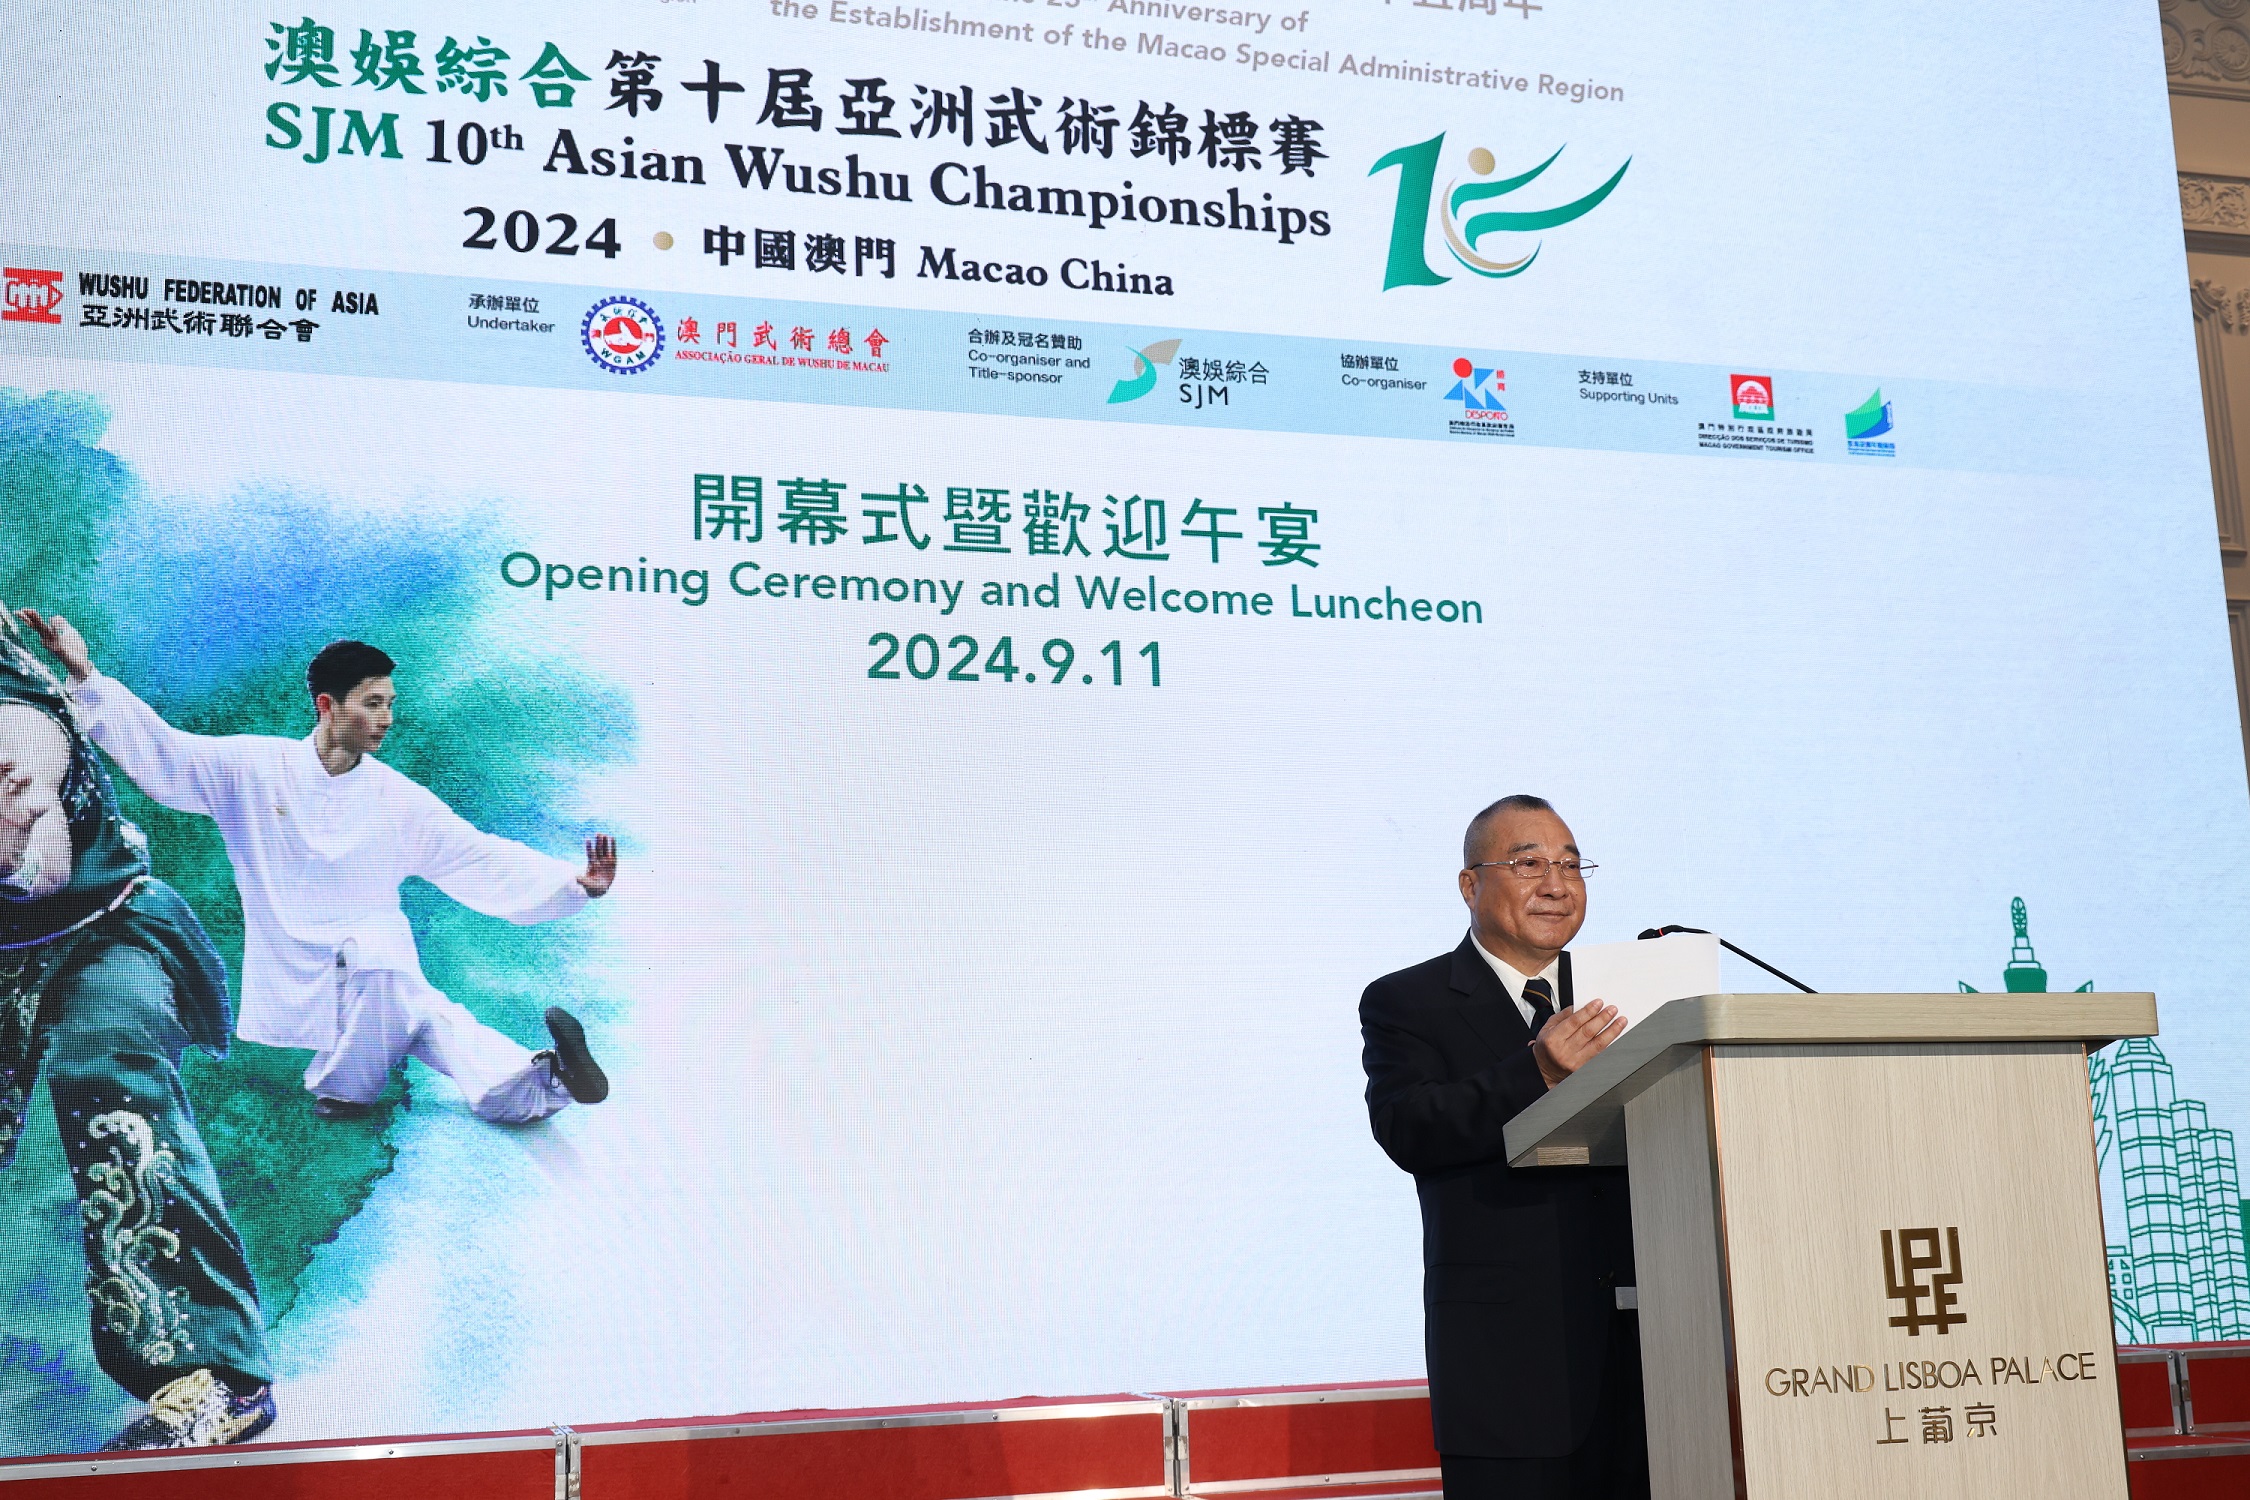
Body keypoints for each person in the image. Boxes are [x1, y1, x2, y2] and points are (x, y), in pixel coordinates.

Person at [16, 610, 617, 1125]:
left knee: (409, 994)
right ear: (328, 706)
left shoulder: (397, 798)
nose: (386, 718)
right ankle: (501, 1084)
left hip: (376, 958)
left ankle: (541, 1081)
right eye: (373, 704)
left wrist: (572, 885)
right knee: (417, 1005)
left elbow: (474, 856)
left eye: (390, 705)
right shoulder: (256, 767)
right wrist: (86, 677)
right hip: (300, 959)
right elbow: (168, 756)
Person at [0, 607, 275, 1450]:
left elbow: (31, 780)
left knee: (107, 1078)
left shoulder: (14, 712)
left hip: (103, 931)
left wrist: (29, 820)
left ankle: (214, 1378)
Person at [1359, 795, 1646, 1500]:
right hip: (1511, 1367)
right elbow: (1408, 1128)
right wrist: (1536, 1071)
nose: (1557, 884)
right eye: (1529, 864)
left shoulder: (1623, 997)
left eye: (1571, 866)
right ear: (1470, 884)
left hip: (1653, 1358)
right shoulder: (1409, 1000)